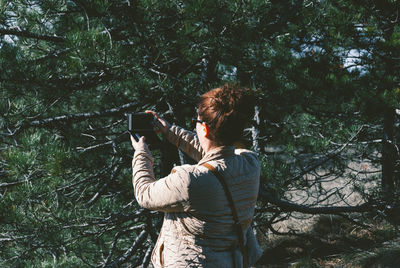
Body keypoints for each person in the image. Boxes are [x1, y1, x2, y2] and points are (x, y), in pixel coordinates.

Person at [130, 84, 262, 267]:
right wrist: (170, 132)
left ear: (206, 129)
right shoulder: (250, 163)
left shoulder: (189, 181)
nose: (195, 125)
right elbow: (215, 156)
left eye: (197, 121)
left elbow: (144, 194)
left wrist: (141, 153)